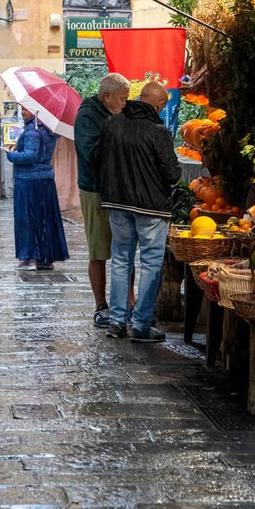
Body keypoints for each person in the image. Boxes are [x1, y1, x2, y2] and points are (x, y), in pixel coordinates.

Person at [97, 81, 180, 342]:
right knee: (151, 264)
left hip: (117, 203)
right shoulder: (158, 131)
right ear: (160, 105)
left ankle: (117, 322)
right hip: (151, 208)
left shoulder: (113, 123)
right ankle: (141, 325)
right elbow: (172, 173)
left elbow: (100, 157)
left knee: (121, 260)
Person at [73, 72, 130, 327]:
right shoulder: (87, 116)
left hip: (119, 190)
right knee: (99, 250)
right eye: (121, 99)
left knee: (126, 248)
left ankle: (129, 303)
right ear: (106, 96)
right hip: (96, 190)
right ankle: (101, 306)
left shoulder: (116, 114)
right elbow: (92, 153)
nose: (125, 104)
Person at [7, 108, 69, 270]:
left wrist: (10, 154)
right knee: (44, 219)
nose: (22, 112)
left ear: (37, 112)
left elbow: (29, 156)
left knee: (26, 219)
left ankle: (29, 257)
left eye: (26, 110)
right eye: (21, 109)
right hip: (45, 181)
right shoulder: (48, 131)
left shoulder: (32, 133)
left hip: (28, 180)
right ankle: (44, 257)